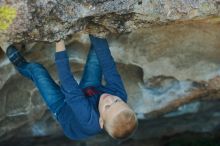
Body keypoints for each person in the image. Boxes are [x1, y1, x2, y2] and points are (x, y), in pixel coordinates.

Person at [2, 35, 138, 140]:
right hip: (92, 90)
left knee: (37, 71)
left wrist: (59, 40)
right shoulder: (119, 94)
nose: (110, 99)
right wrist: (95, 28)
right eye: (117, 101)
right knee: (98, 51)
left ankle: (21, 65)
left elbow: (67, 83)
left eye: (108, 107)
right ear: (125, 103)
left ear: (101, 121)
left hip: (63, 106)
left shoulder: (89, 120)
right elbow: (108, 65)